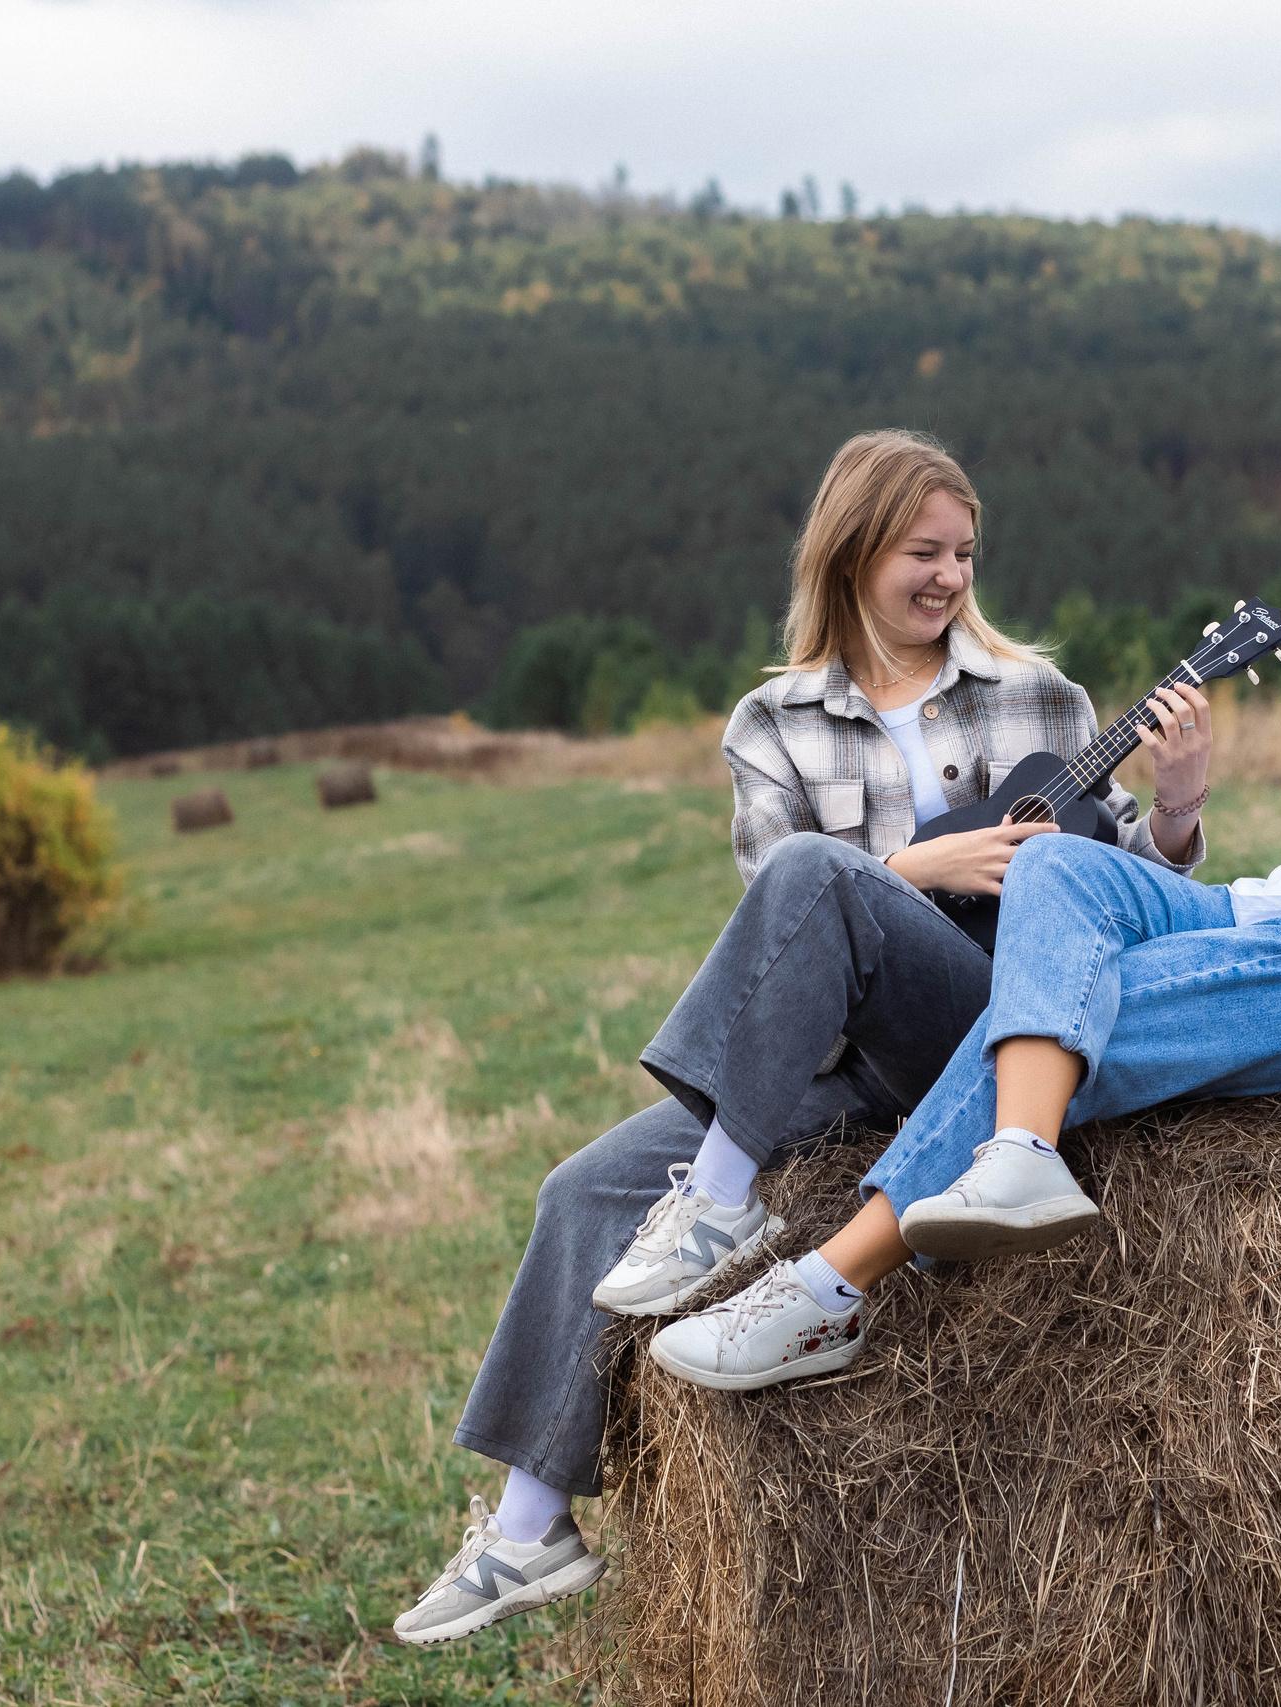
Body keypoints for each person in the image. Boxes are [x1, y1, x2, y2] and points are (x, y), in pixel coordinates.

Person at [392, 429, 1215, 1645]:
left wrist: (1182, 802)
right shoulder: (770, 721)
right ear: (852, 551)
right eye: (923, 552)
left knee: (822, 876)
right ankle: (530, 1527)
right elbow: (772, 911)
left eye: (965, 554)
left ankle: (718, 1201)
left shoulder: (1040, 698)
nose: (949, 577)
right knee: (582, 1190)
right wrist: (921, 866)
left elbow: (1134, 888)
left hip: (987, 1030)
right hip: (831, 1059)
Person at [645, 493, 1281, 1394]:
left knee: (1071, 1011)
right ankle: (1020, 1152)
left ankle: (827, 1287)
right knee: (1052, 861)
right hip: (1248, 909)